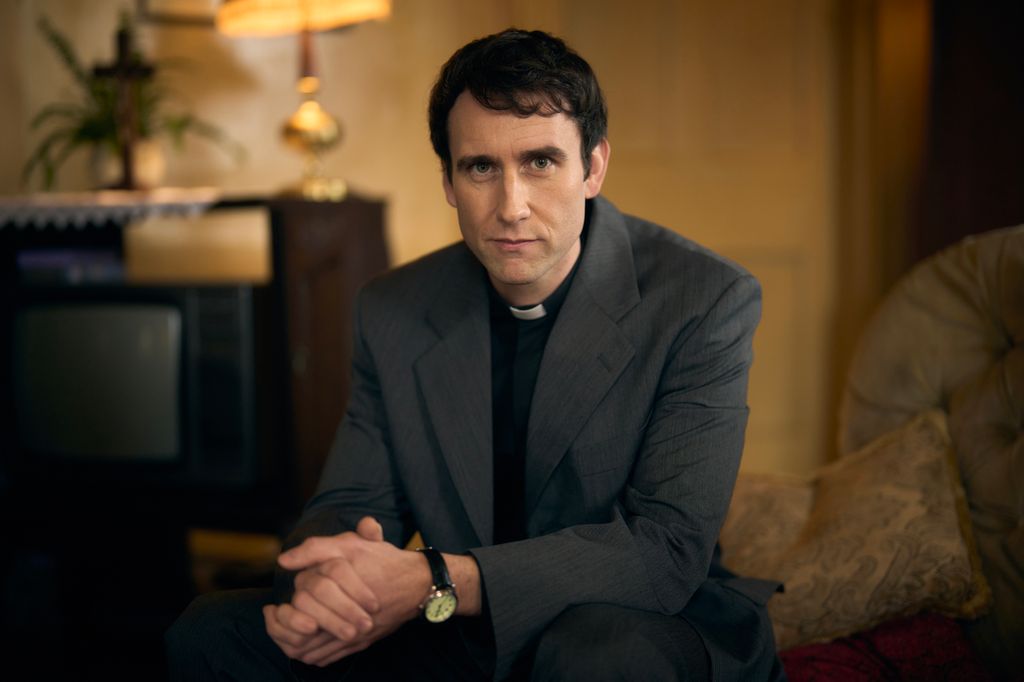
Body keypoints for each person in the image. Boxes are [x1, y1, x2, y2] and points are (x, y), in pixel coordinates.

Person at [167, 28, 784, 681]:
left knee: (591, 658)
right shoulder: (393, 308)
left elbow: (665, 550)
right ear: (449, 181)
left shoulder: (704, 300)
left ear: (594, 167)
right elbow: (352, 502)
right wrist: (331, 577)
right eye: (481, 167)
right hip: (459, 623)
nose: (511, 207)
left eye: (540, 163)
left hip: (638, 619)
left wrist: (438, 579)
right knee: (213, 633)